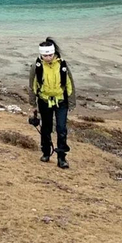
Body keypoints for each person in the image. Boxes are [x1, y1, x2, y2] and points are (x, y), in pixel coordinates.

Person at [28, 37, 75, 169]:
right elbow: (33, 86)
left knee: (61, 129)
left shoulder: (63, 65)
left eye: (50, 55)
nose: (48, 57)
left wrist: (71, 102)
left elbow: (70, 84)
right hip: (44, 101)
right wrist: (32, 104)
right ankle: (46, 153)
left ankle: (61, 157)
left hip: (61, 101)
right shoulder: (36, 67)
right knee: (46, 128)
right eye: (45, 55)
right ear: (41, 54)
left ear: (54, 53)